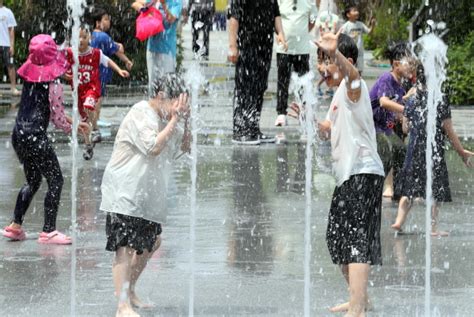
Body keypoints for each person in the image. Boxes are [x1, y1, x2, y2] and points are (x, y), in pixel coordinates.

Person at [292, 31, 385, 316]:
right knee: (338, 238)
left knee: (357, 242)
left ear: (345, 60)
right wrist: (311, 120)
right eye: (321, 61)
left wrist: (337, 55)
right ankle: (359, 297)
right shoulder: (337, 96)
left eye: (327, 61)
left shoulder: (353, 87)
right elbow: (327, 132)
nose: (322, 68)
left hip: (363, 172)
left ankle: (357, 309)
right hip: (347, 176)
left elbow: (354, 76)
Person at [100, 74, 190, 317]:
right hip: (125, 192)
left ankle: (130, 292)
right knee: (125, 246)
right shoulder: (141, 113)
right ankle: (122, 306)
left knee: (152, 243)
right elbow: (153, 147)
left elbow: (185, 147)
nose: (178, 109)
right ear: (161, 96)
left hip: (146, 196)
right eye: (177, 103)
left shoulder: (168, 117)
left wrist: (185, 121)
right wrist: (174, 120)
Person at [2, 34, 89, 244]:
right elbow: (57, 118)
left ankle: (15, 226)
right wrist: (73, 129)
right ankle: (48, 231)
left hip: (19, 135)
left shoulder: (29, 79)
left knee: (33, 180)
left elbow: (47, 111)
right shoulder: (55, 85)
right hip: (35, 138)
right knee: (56, 180)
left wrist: (73, 122)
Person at [391, 63, 473, 236]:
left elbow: (405, 128)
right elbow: (449, 130)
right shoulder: (440, 99)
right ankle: (433, 228)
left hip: (413, 150)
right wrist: (462, 152)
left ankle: (399, 221)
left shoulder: (412, 99)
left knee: (409, 190)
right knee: (434, 191)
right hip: (433, 152)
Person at [228, 0, 287, 145]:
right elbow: (234, 19)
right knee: (245, 87)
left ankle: (253, 129)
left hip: (265, 46)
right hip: (247, 45)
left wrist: (280, 33)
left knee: (260, 86)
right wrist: (232, 46)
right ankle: (240, 131)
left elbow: (276, 14)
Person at [66, 27, 129, 160]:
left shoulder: (96, 53)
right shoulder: (71, 53)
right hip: (78, 92)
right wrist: (63, 74)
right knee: (83, 122)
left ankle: (95, 129)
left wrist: (119, 70)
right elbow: (61, 67)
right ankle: (88, 146)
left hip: (92, 88)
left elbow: (108, 61)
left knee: (88, 106)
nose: (81, 40)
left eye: (84, 37)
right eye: (78, 37)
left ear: (90, 38)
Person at [369, 42, 415, 201]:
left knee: (402, 149)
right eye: (409, 64)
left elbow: (401, 121)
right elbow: (384, 102)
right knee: (391, 149)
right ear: (396, 64)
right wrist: (407, 110)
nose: (411, 67)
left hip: (385, 128)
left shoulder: (401, 89)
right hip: (371, 126)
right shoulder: (387, 78)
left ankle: (399, 186)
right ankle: (377, 184)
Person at [90, 7, 134, 143]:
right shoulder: (103, 36)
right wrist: (126, 61)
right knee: (97, 103)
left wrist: (116, 44)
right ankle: (94, 129)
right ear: (98, 23)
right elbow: (116, 51)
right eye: (106, 19)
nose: (109, 22)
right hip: (100, 75)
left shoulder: (92, 35)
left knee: (92, 101)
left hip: (91, 73)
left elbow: (113, 47)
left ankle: (92, 126)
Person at [274, 0, 317, 133]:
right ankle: (281, 113)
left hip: (302, 49)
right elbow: (275, 19)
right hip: (284, 48)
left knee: (304, 82)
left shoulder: (309, 2)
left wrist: (302, 33)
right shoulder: (280, 1)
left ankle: (303, 113)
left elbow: (312, 21)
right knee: (283, 81)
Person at [132, 0, 182, 96]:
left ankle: (166, 108)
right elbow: (135, 3)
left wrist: (164, 5)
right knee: (152, 85)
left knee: (166, 85)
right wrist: (145, 10)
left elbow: (171, 19)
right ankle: (152, 107)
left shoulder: (176, 2)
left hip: (167, 50)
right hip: (152, 48)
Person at [340, 4, 375, 74]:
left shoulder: (360, 24)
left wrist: (372, 25)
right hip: (350, 52)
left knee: (359, 72)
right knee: (349, 71)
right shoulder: (346, 26)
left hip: (360, 52)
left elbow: (369, 32)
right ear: (348, 14)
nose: (357, 12)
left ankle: (359, 84)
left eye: (357, 11)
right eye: (354, 11)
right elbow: (341, 38)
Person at [0, 0, 20, 95]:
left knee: (10, 65)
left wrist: (12, 45)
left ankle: (13, 88)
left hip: (6, 44)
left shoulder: (8, 12)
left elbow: (11, 29)